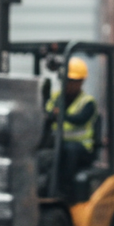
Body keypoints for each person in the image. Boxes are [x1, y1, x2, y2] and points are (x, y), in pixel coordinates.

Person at [45, 57, 100, 189]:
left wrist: (61, 115)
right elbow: (47, 114)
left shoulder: (87, 102)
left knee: (69, 150)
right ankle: (45, 186)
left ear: (81, 82)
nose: (71, 84)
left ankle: (64, 189)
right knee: (45, 155)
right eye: (69, 81)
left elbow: (80, 119)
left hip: (83, 149)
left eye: (75, 81)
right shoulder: (57, 97)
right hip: (59, 143)